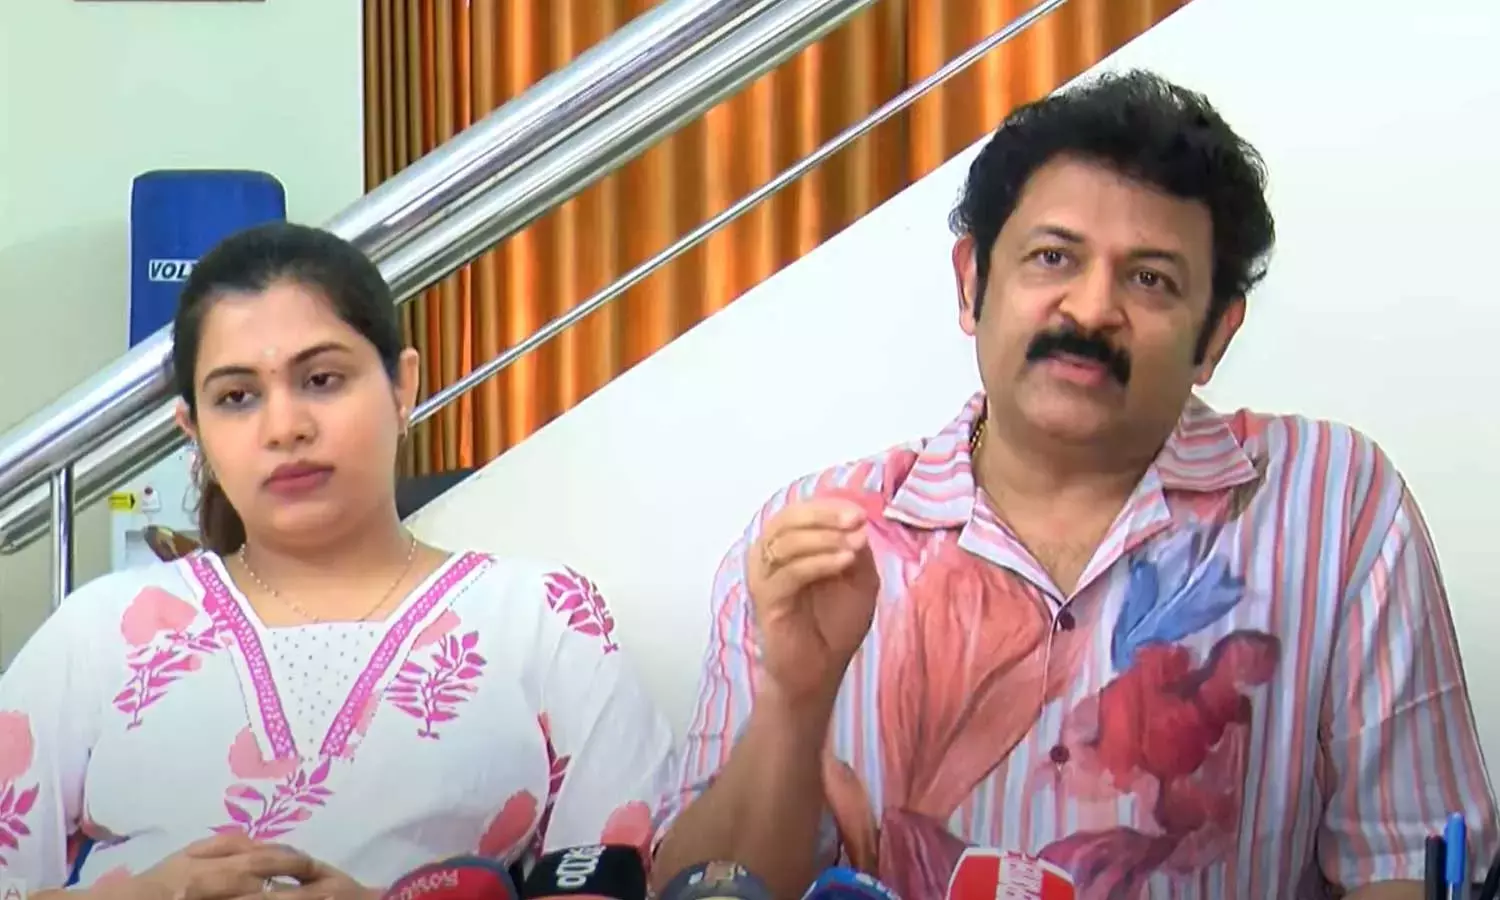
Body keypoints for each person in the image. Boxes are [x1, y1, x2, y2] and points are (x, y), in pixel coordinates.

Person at [651, 69, 1497, 899]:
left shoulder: (1334, 504)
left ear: (1214, 337)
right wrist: (794, 703)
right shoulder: (820, 539)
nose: (1091, 310)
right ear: (972, 285)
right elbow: (701, 890)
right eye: (1053, 257)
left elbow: (1405, 863)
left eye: (1150, 278)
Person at [0, 223, 674, 897]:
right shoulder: (99, 634)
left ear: (403, 385)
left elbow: (625, 877)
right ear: (194, 430)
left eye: (322, 379)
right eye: (236, 397)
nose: (285, 427)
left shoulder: (540, 621)